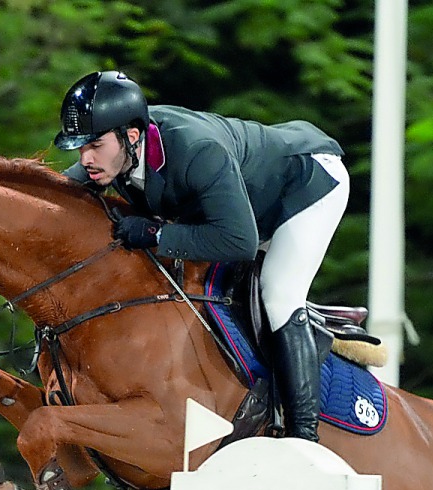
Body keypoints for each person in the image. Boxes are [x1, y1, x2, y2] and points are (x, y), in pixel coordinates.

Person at [53, 70, 351, 442]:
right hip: (249, 200)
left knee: (278, 293)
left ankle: (304, 436)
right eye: (80, 148)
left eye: (93, 145)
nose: (86, 158)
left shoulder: (197, 151)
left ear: (131, 137)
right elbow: (60, 194)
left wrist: (158, 234)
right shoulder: (117, 150)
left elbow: (240, 242)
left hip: (305, 185)